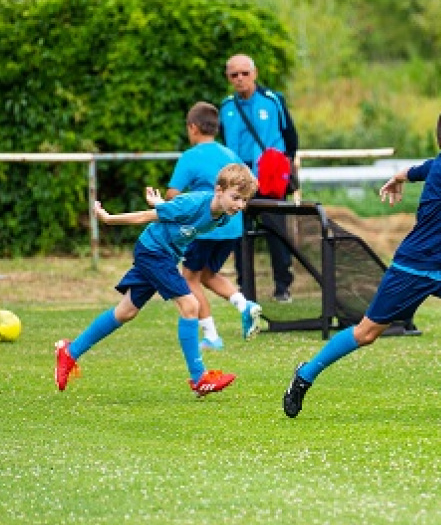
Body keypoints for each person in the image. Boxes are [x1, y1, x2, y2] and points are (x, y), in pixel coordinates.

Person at [283, 107, 441, 418]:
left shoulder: (440, 166)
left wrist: (397, 177)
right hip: (412, 270)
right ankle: (305, 375)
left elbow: (418, 170)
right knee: (366, 334)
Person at [54, 163, 259, 398]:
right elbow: (146, 216)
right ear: (218, 190)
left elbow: (176, 216)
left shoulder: (223, 216)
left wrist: (162, 205)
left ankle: (70, 351)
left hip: (165, 255)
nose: (239, 205)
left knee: (126, 311)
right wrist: (109, 219)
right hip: (153, 252)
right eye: (236, 198)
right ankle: (199, 378)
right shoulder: (194, 203)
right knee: (190, 305)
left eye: (244, 201)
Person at [166, 102, 262, 351]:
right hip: (232, 227)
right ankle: (245, 306)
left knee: (189, 278)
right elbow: (252, 182)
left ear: (193, 128)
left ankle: (211, 335)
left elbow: (172, 195)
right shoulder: (230, 154)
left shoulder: (191, 157)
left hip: (205, 226)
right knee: (208, 275)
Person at [219, 53, 297, 303]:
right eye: (234, 75)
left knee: (277, 230)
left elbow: (291, 138)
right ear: (228, 78)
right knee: (239, 233)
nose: (240, 79)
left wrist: (282, 170)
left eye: (245, 73)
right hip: (238, 181)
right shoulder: (226, 108)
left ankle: (283, 285)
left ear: (254, 73)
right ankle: (245, 286)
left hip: (269, 178)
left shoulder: (273, 101)